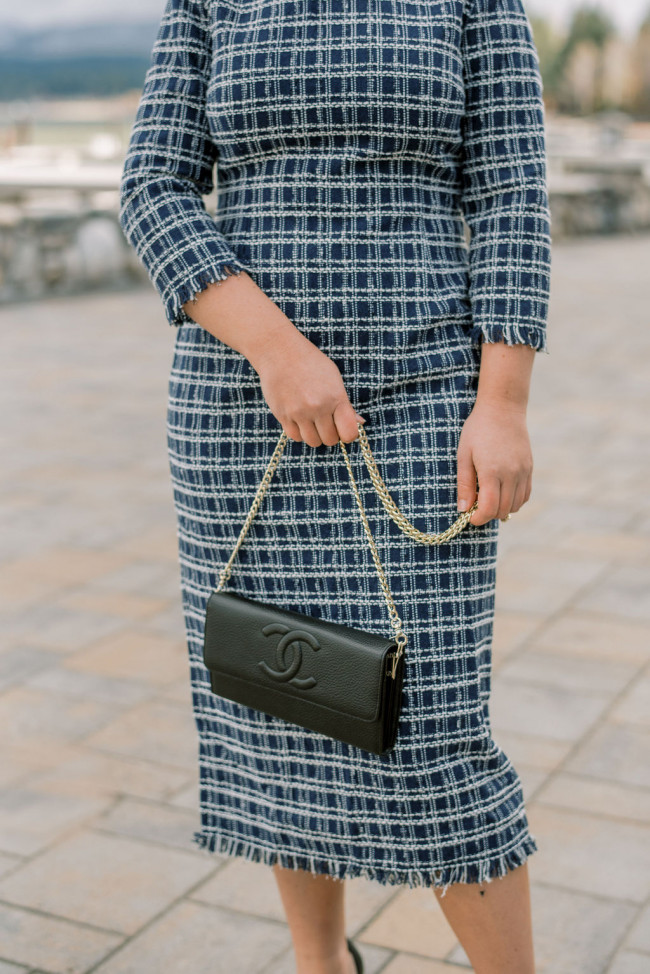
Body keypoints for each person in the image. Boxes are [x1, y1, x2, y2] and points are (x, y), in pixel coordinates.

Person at [119, 1, 551, 971]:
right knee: (281, 701)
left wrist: (503, 402)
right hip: (244, 405)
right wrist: (277, 351)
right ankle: (322, 964)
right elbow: (153, 188)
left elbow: (510, 191)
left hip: (423, 400)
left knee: (434, 734)